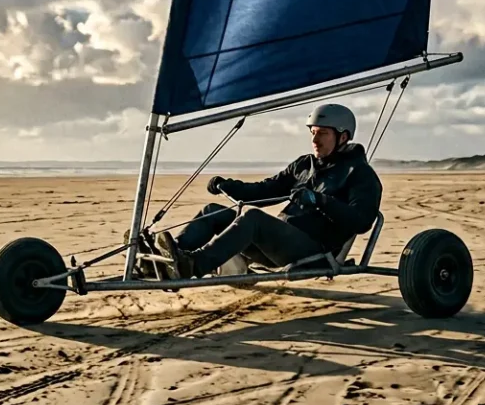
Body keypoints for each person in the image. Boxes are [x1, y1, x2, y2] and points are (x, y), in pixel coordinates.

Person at [154, 103, 383, 279]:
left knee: (252, 218)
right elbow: (265, 190)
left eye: (322, 133)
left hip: (312, 252)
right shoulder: (304, 165)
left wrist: (319, 200)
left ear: (343, 136)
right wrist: (227, 185)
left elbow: (362, 221)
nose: (314, 139)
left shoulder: (360, 174)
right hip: (277, 243)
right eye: (312, 132)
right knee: (212, 211)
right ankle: (171, 257)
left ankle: (193, 265)